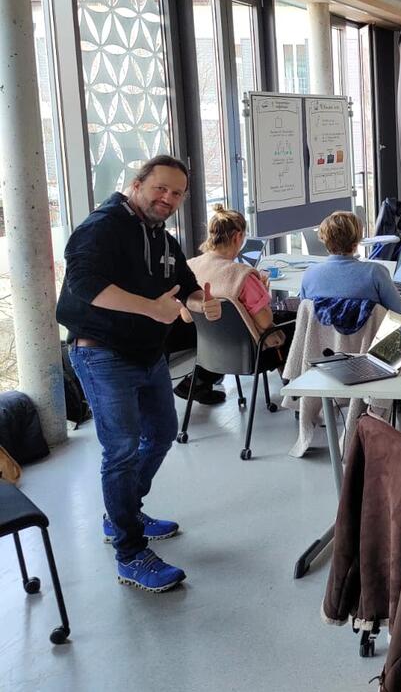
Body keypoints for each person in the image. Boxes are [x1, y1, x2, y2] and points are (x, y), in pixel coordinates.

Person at [56, 155, 222, 593]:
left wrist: (199, 302)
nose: (168, 198)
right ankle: (129, 552)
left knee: (162, 433)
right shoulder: (102, 227)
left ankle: (124, 511)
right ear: (137, 184)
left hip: (148, 356)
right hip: (102, 355)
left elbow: (185, 281)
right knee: (123, 451)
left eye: (177, 193)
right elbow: (84, 285)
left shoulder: (161, 237)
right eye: (160, 188)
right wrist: (152, 308)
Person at [187, 204, 290, 366]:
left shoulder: (190, 267)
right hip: (251, 354)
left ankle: (200, 382)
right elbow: (264, 321)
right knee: (292, 322)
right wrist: (263, 293)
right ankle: (292, 386)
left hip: (210, 352)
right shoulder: (242, 276)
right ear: (238, 237)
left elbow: (186, 316)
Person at [298, 211, 401, 321]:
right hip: (371, 341)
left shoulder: (310, 274)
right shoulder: (375, 273)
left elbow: (305, 314)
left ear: (325, 239)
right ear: (356, 242)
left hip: (323, 341)